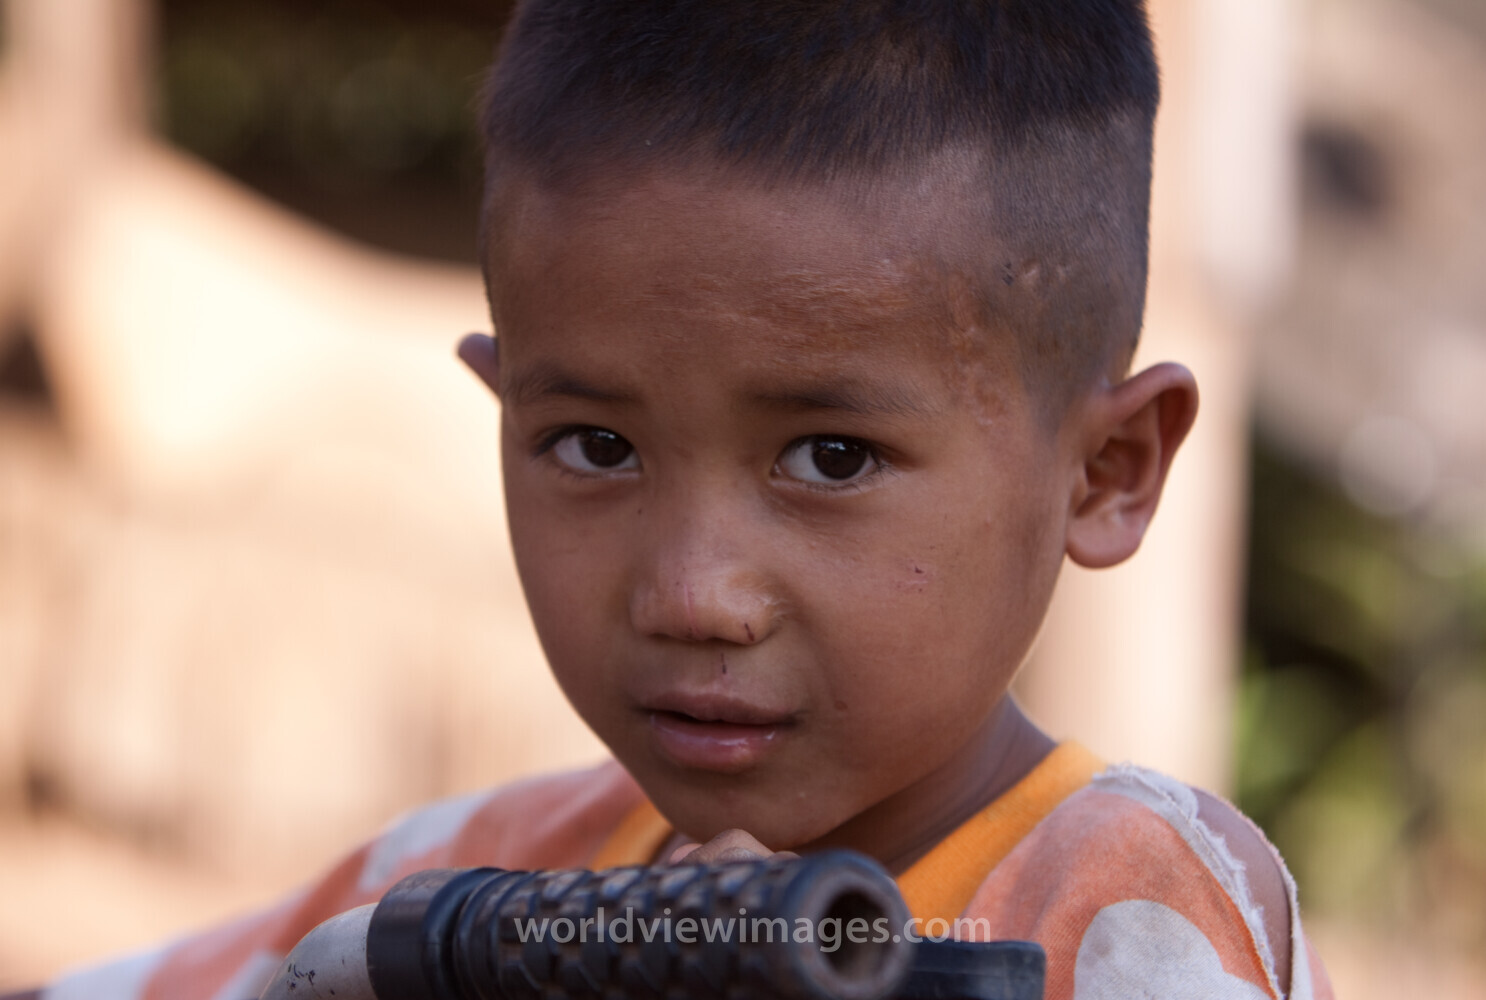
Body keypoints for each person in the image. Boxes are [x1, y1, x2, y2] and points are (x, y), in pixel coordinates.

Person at [23, 2, 1335, 998]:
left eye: (831, 459)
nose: (693, 593)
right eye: (595, 446)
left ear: (1106, 474)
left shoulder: (1127, 910)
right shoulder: (469, 879)